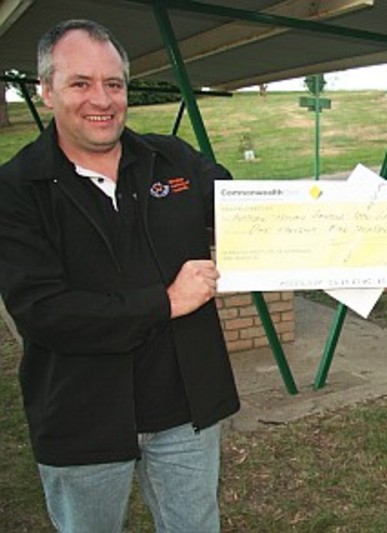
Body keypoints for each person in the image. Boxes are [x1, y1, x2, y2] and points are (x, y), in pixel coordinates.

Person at [0, 19, 240, 532]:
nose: (102, 100)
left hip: (184, 412)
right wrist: (166, 302)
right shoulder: (17, 190)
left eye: (114, 83)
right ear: (47, 91)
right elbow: (43, 312)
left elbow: (256, 218)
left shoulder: (172, 160)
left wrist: (377, 251)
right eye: (80, 83)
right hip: (82, 417)